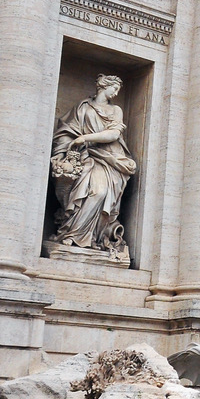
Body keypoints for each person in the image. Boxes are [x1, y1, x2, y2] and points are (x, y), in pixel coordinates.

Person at [49, 74, 137, 261]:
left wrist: (85, 138)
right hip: (85, 156)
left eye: (119, 89)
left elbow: (113, 134)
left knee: (100, 192)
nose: (116, 92)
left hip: (110, 158)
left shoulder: (116, 110)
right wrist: (64, 151)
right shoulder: (82, 108)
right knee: (83, 191)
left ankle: (91, 236)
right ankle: (72, 233)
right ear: (104, 87)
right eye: (114, 88)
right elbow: (66, 132)